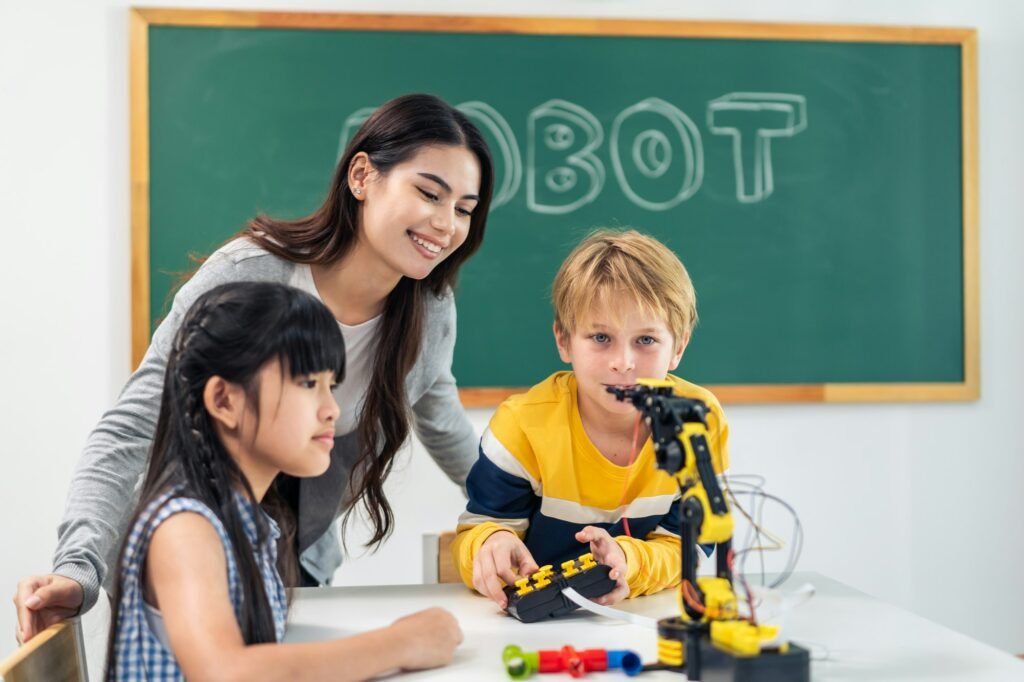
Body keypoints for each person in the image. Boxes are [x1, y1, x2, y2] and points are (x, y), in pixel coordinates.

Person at [15, 92, 494, 643]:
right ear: (362, 176)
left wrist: (523, 520)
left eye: (464, 208)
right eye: (429, 193)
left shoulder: (428, 313)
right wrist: (80, 566)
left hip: (295, 565)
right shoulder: (251, 273)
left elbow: (447, 429)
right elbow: (134, 424)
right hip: (191, 564)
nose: (446, 223)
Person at [105, 281, 462, 680]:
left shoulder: (248, 521)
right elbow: (225, 673)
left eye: (333, 385)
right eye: (309, 384)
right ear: (224, 400)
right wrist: (400, 644)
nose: (331, 409)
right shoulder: (185, 528)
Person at [451, 229, 729, 608]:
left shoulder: (697, 422)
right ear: (563, 341)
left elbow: (689, 546)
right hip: (532, 628)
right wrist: (490, 543)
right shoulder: (523, 427)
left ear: (677, 347)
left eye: (646, 340)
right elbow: (476, 532)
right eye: (601, 338)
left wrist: (629, 562)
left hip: (637, 622)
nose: (623, 362)